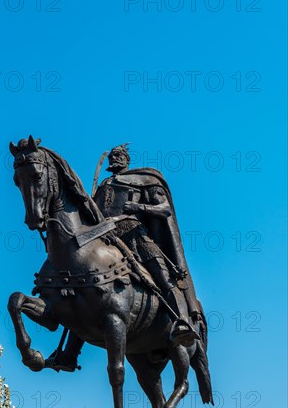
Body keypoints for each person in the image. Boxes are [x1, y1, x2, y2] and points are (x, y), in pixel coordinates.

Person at [46, 144, 202, 372]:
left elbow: (165, 209)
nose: (114, 159)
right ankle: (69, 354)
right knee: (84, 286)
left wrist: (137, 206)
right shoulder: (102, 187)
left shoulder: (143, 180)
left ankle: (181, 322)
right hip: (103, 239)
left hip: (134, 236)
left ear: (127, 160)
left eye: (119, 156)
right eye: (112, 157)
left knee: (162, 275)